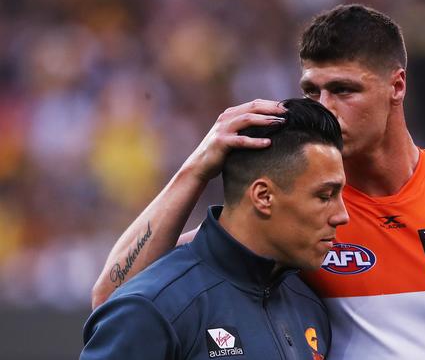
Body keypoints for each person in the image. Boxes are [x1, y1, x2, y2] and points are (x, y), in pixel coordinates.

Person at [91, 4, 425, 359]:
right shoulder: (296, 211)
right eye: (311, 90)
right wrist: (197, 165)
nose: (325, 109)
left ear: (396, 85)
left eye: (343, 89)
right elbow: (119, 298)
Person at [81, 98, 348, 360]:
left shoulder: (308, 305)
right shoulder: (155, 309)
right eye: (325, 196)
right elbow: (108, 295)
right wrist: (195, 169)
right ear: (263, 196)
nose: (342, 216)